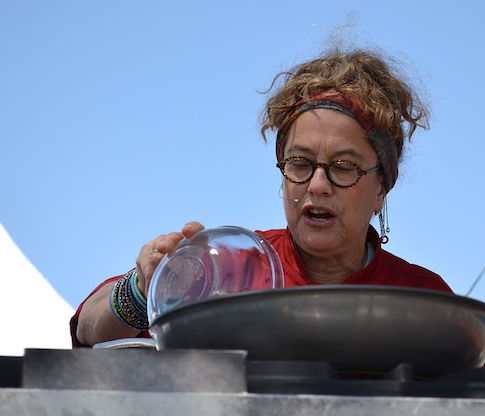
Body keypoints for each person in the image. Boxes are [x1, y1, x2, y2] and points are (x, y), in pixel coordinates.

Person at [71, 49, 453, 347]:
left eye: (344, 166)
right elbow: (89, 328)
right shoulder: (232, 268)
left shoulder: (422, 298)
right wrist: (143, 288)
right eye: (300, 163)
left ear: (381, 189)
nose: (317, 185)